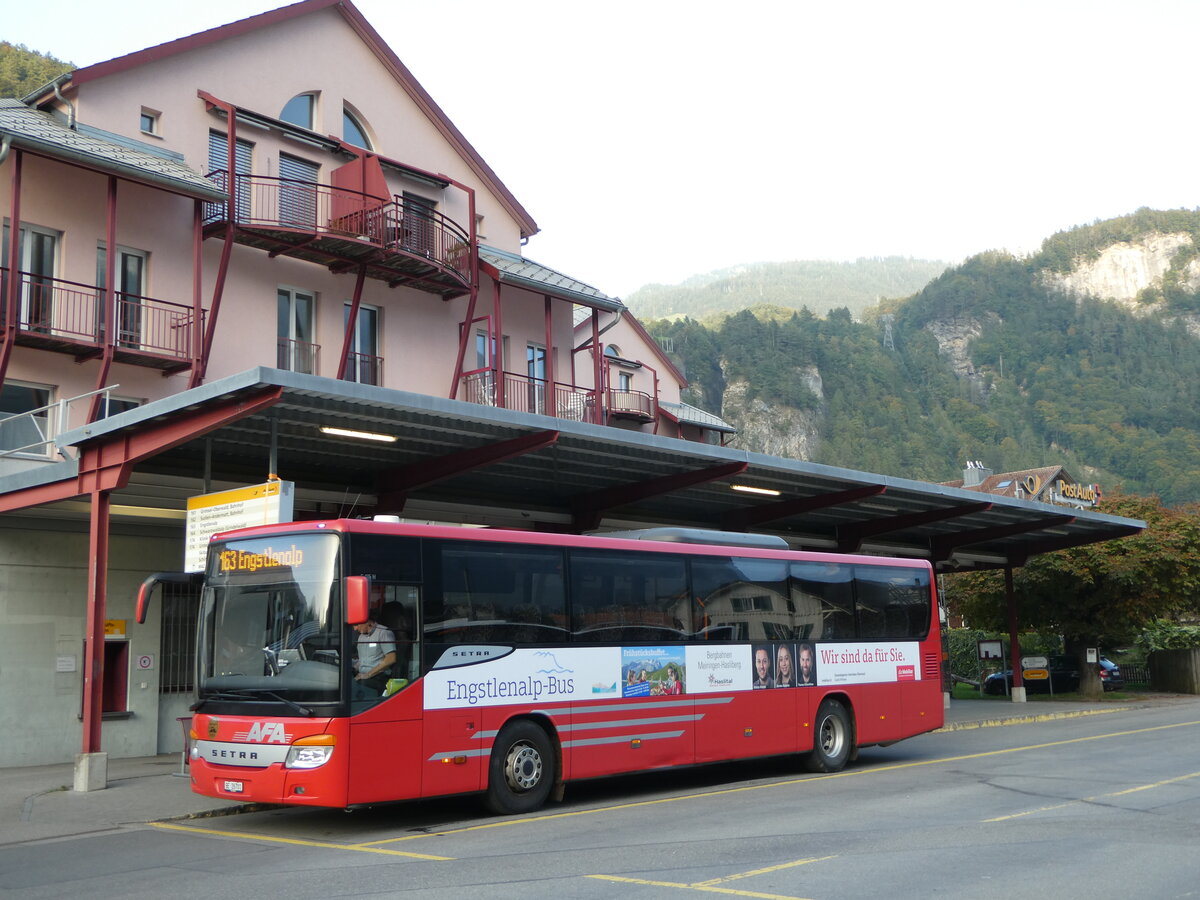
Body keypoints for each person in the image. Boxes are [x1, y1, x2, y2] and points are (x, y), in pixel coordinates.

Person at [352, 616, 396, 696]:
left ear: (368, 622)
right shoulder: (361, 637)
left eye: (357, 625)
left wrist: (368, 674)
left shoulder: (384, 633)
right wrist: (352, 667)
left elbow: (391, 658)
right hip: (362, 675)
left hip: (378, 677)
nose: (355, 629)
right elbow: (363, 660)